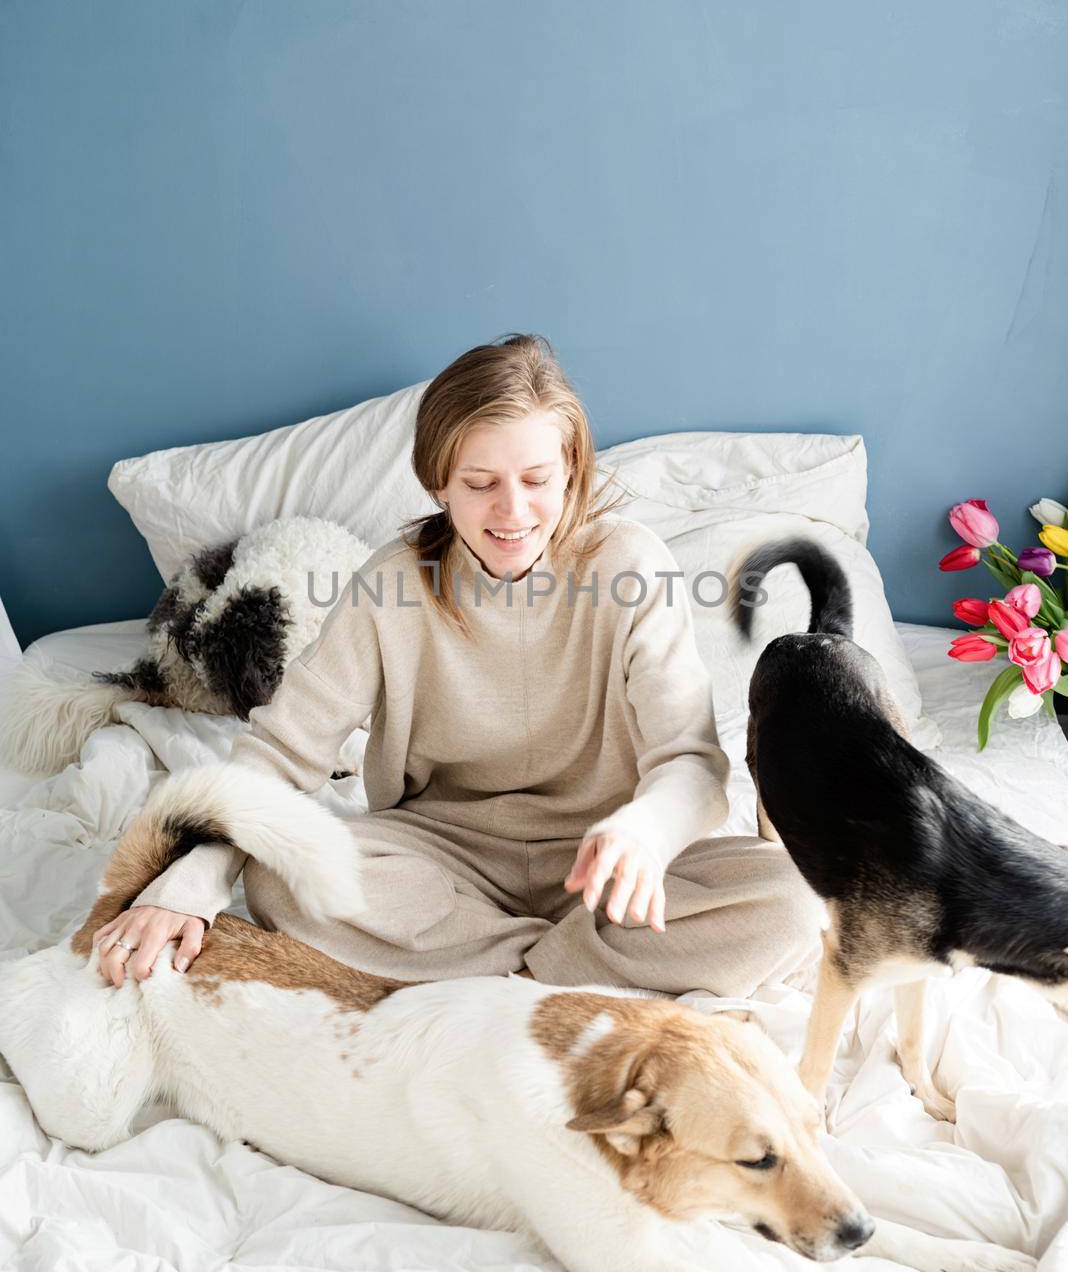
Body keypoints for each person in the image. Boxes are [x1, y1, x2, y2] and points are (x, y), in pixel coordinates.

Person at [94, 335, 822, 996]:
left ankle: (493, 970)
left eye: (538, 479)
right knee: (283, 878)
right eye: (480, 484)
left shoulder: (632, 565)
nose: (513, 512)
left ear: (571, 471)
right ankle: (564, 965)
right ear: (438, 481)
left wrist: (647, 832)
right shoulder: (393, 583)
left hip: (607, 859)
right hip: (444, 855)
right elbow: (283, 752)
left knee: (795, 901)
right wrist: (194, 878)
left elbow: (691, 766)